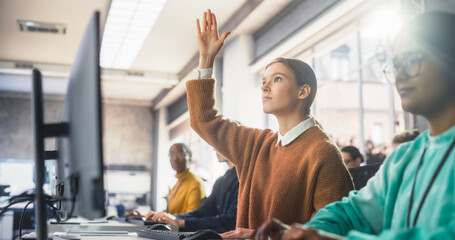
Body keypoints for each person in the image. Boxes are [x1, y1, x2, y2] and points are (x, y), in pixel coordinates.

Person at [254, 11, 455, 240]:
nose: (400, 75)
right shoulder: (405, 158)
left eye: (410, 61)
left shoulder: (322, 150)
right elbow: (353, 212)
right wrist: (306, 232)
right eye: (396, 65)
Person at [186, 9, 354, 238]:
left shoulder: (324, 154)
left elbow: (328, 234)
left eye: (277, 79)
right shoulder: (256, 144)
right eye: (264, 81)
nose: (264, 87)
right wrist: (206, 60)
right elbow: (204, 121)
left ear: (303, 91)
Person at [147, 151, 239, 233]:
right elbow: (202, 212)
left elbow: (230, 221)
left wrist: (181, 222)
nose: (214, 148)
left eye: (180, 154)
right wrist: (168, 218)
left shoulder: (242, 180)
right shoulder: (221, 181)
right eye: (171, 155)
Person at [144, 143, 205, 218]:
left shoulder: (195, 183)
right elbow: (171, 214)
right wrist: (148, 216)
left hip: (184, 229)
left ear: (189, 157)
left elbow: (192, 217)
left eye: (180, 155)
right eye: (172, 155)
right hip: (173, 228)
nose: (175, 159)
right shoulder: (178, 183)